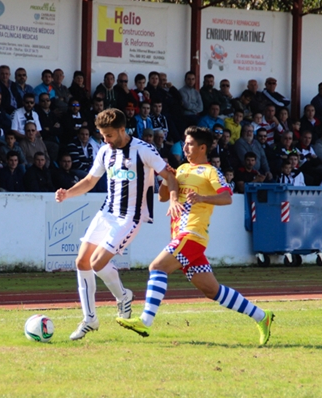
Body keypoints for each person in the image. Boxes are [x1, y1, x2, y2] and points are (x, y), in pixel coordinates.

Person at [116, 126, 274, 344]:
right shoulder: (181, 169)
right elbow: (162, 197)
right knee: (212, 291)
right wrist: (166, 177)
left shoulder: (211, 172)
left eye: (189, 143)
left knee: (157, 267)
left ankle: (145, 320)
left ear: (202, 147)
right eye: (184, 142)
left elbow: (227, 198)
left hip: (192, 234)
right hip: (181, 236)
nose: (185, 147)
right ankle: (262, 317)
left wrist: (202, 198)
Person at [55, 108, 180, 340]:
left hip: (130, 217)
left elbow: (170, 175)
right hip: (106, 213)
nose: (105, 140)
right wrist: (68, 194)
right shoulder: (104, 151)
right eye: (102, 135)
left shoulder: (144, 150)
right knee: (82, 261)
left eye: (109, 135)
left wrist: (173, 199)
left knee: (97, 262)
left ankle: (123, 296)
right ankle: (90, 319)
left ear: (123, 130)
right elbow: (90, 180)